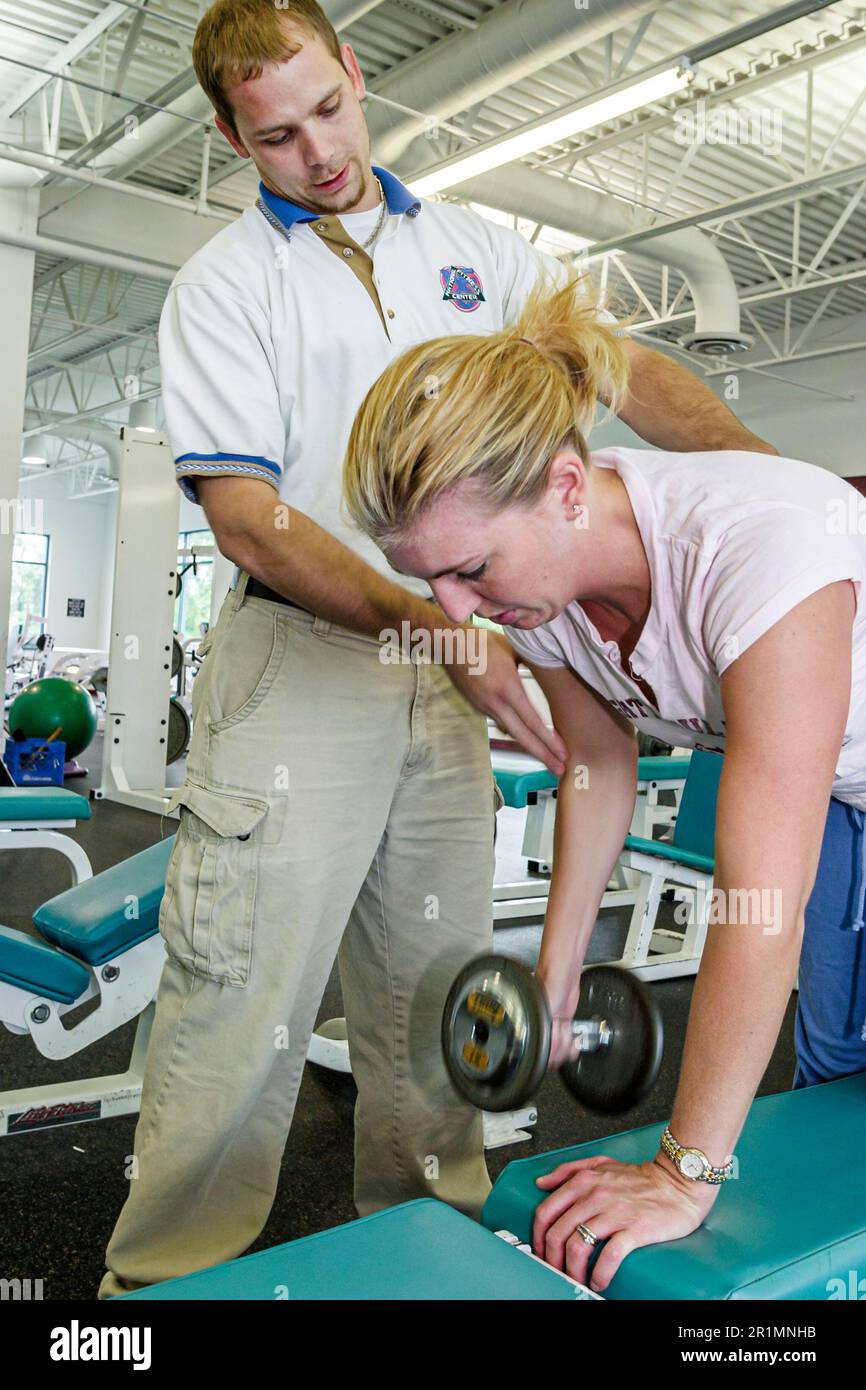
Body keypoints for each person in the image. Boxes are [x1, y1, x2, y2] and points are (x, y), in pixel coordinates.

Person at [98, 0, 777, 1296]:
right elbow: (251, 516)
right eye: (277, 135)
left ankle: (427, 1257)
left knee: (436, 989)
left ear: (355, 71)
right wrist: (430, 624)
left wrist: (770, 486)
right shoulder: (227, 286)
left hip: (462, 656)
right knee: (241, 1000)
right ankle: (159, 1289)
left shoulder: (474, 248)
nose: (318, 150)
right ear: (234, 137)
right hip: (308, 660)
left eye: (329, 109)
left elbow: (624, 371)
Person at [341, 270, 866, 1293]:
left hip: (829, 803)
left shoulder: (760, 550)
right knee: (839, 1088)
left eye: (470, 572)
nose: (454, 612)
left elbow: (759, 902)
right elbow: (595, 758)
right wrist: (556, 972)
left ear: (567, 491)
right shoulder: (547, 579)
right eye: (430, 582)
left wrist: (684, 1169)